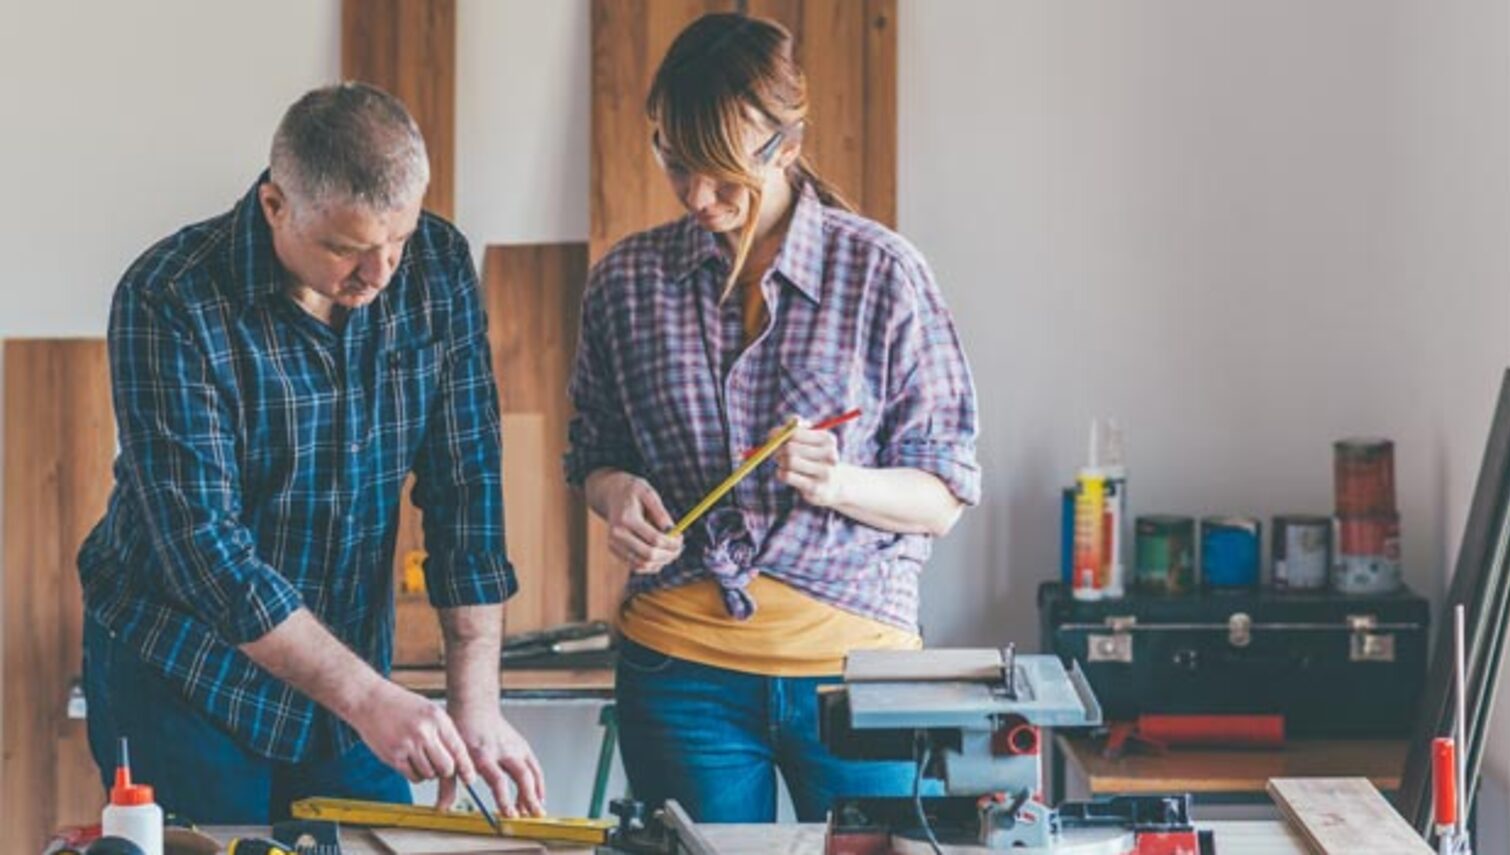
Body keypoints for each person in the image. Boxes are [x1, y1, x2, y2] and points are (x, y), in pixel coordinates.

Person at [78, 82, 545, 824]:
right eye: (346, 248)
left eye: (397, 242)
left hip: (347, 676)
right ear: (274, 206)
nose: (378, 275)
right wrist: (371, 700)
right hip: (184, 673)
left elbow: (468, 486)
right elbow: (206, 552)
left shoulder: (439, 267)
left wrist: (476, 703)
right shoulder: (169, 298)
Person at [565, 14, 981, 823]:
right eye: (675, 163)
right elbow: (595, 451)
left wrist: (842, 481)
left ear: (786, 146)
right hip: (679, 675)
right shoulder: (626, 283)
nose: (697, 196)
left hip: (859, 681)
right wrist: (617, 496)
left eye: (723, 174)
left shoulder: (883, 274)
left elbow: (946, 491)